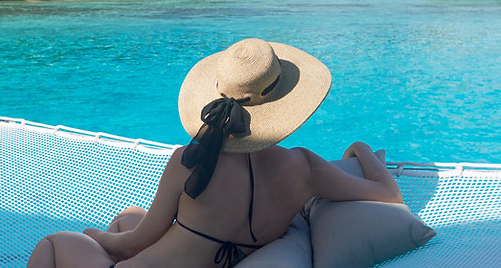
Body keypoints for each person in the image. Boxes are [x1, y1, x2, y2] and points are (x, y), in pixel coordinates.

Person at [27, 38, 402, 268]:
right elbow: (389, 194)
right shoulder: (304, 168)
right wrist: (362, 149)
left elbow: (135, 244)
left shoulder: (189, 159)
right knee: (129, 215)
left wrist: (94, 237)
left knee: (55, 242)